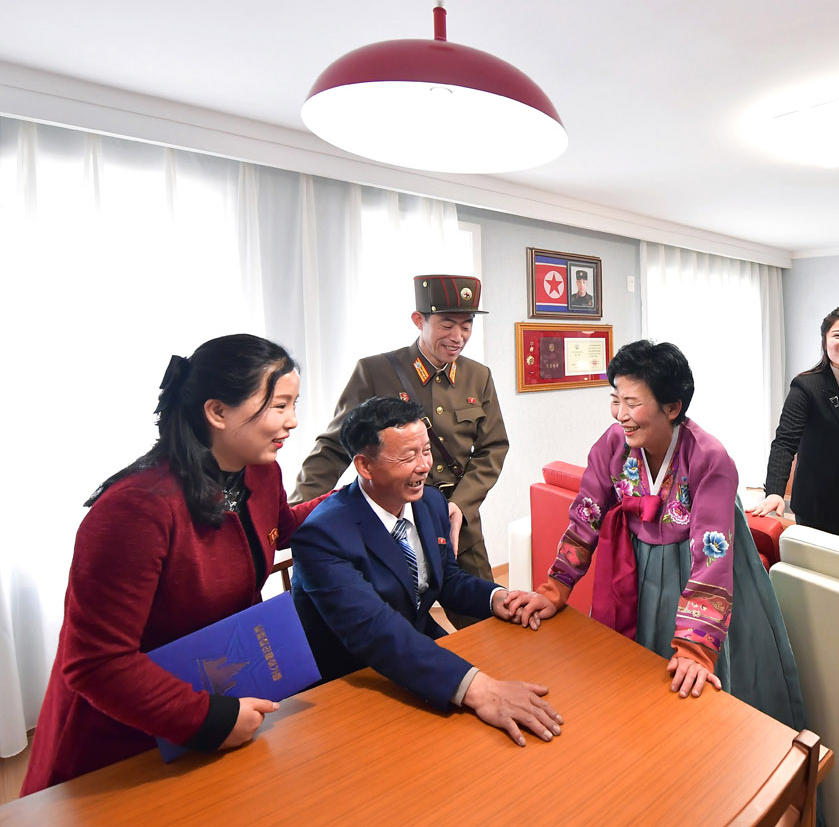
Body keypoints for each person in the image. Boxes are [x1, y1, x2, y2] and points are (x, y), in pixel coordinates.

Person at [23, 335, 326, 794]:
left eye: (294, 404)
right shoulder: (136, 510)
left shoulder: (260, 471)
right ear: (217, 412)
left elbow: (279, 528)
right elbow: (97, 664)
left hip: (208, 699)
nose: (293, 421)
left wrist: (356, 496)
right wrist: (211, 718)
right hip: (124, 735)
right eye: (279, 406)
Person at [512, 341, 806, 728]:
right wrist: (554, 589)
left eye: (633, 402)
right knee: (641, 682)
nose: (621, 415)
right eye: (615, 399)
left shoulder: (708, 458)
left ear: (672, 407)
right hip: (642, 574)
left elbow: (712, 557)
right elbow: (586, 516)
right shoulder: (612, 446)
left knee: (705, 691)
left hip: (706, 577)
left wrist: (696, 646)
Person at [290, 397, 563, 746]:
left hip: (417, 647)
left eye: (426, 451)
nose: (424, 467)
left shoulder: (430, 502)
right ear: (364, 465)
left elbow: (445, 578)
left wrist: (498, 598)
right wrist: (480, 689)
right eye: (407, 457)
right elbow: (375, 632)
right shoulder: (323, 536)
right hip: (352, 678)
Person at [291, 275, 507, 630]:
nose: (458, 337)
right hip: (395, 517)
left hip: (455, 517)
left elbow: (493, 446)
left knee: (482, 620)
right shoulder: (376, 371)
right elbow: (334, 445)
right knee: (398, 618)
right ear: (419, 320)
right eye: (447, 325)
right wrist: (298, 515)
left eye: (466, 326)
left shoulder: (477, 376)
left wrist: (461, 505)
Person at [751, 305, 839, 547]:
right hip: (821, 501)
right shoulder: (807, 386)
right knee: (822, 573)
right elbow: (785, 443)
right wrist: (775, 491)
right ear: (825, 342)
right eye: (837, 335)